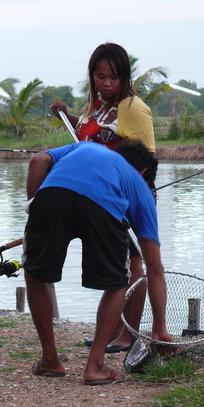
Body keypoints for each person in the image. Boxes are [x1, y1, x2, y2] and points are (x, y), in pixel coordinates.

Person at [22, 139, 172, 385]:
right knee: (117, 283)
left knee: (36, 273)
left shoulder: (86, 147)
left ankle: (50, 360)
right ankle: (95, 366)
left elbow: (38, 160)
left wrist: (35, 210)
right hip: (104, 208)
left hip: (53, 194)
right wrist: (159, 328)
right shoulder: (141, 189)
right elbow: (154, 270)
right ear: (144, 174)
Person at [49, 42, 156, 352]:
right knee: (117, 267)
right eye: (100, 76)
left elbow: (145, 157)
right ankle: (114, 332)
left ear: (125, 77)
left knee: (133, 266)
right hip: (99, 200)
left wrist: (131, 198)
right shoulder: (96, 106)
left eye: (114, 77)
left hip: (125, 198)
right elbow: (89, 140)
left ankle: (127, 335)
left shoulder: (132, 107)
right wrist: (67, 116)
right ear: (92, 76)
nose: (107, 83)